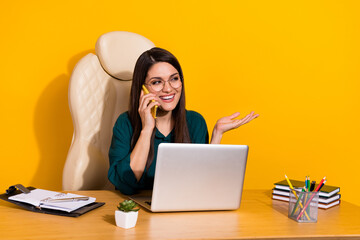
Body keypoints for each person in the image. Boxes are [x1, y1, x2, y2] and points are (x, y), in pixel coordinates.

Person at [108, 47, 259, 195]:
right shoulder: (125, 123)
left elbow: (201, 183)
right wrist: (147, 129)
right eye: (156, 82)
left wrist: (217, 135)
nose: (168, 89)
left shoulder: (195, 122)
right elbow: (125, 185)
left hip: (183, 211)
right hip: (138, 212)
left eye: (174, 79)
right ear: (142, 90)